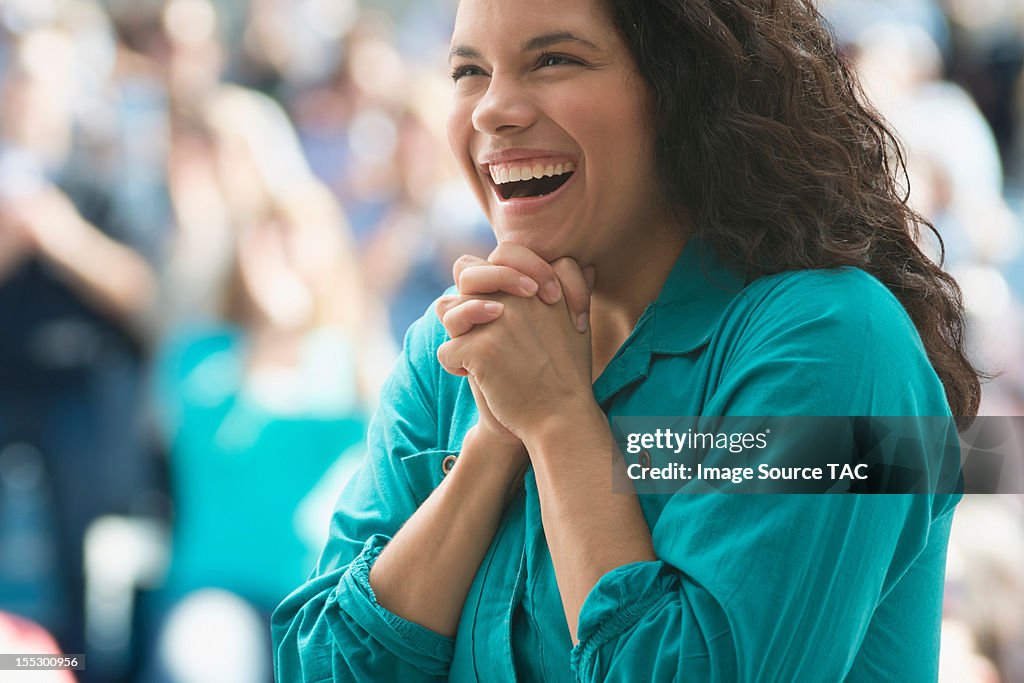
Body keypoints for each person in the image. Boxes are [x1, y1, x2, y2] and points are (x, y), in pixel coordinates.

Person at [272, 0, 983, 680]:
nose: (492, 108)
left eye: (555, 59)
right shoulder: (450, 350)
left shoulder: (845, 342)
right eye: (468, 71)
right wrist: (492, 446)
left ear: (689, 88)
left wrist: (556, 420)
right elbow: (318, 664)